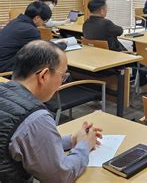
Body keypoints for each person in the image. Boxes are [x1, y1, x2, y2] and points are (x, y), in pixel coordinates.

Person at [0, 40, 102, 182]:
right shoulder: (34, 118)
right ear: (44, 76)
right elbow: (60, 176)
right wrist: (84, 146)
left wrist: (71, 140)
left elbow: (27, 143)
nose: (62, 81)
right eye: (63, 76)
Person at [83, 0, 147, 93]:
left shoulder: (86, 23)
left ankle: (131, 79)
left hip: (97, 55)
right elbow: (120, 31)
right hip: (113, 56)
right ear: (101, 10)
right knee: (139, 58)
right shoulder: (106, 23)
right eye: (106, 8)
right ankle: (143, 86)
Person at [0, 1, 51, 72]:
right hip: (6, 71)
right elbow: (43, 50)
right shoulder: (31, 30)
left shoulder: (15, 22)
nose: (43, 24)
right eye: (44, 21)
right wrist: (63, 45)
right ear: (37, 18)